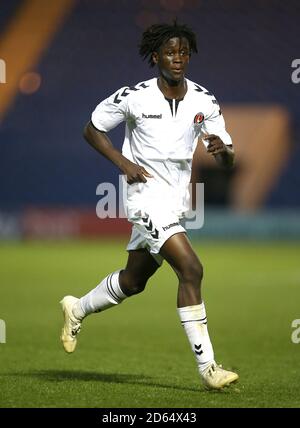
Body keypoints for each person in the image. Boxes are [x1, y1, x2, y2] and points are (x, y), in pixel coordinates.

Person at [60, 21, 238, 390]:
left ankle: (76, 308)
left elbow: (227, 158)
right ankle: (209, 369)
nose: (178, 59)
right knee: (191, 268)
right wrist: (122, 164)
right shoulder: (135, 96)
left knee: (133, 281)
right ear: (155, 56)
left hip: (175, 202)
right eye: (171, 52)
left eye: (184, 53)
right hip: (143, 198)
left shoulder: (204, 101)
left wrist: (223, 152)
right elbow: (92, 128)